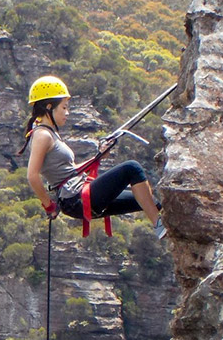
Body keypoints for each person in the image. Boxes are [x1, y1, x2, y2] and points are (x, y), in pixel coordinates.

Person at [18, 76, 166, 239]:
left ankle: (166, 228)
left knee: (150, 201)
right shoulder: (43, 135)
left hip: (77, 196)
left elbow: (70, 171)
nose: (67, 113)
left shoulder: (50, 133)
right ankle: (159, 227)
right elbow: (32, 175)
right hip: (75, 199)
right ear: (48, 107)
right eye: (64, 107)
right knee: (132, 168)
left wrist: (98, 156)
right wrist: (49, 206)